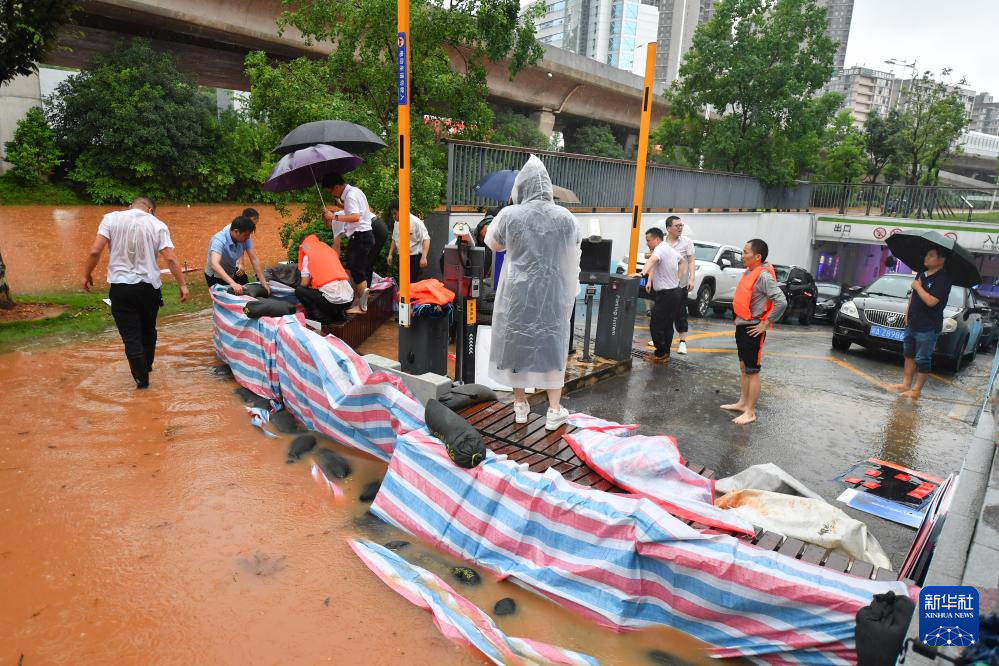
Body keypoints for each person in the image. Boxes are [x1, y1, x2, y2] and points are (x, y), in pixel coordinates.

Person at [485, 155, 581, 431]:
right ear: (548, 186)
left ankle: (520, 406)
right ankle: (553, 410)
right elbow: (574, 248)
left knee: (517, 344)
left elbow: (493, 244)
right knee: (552, 346)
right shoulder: (566, 218)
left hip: (517, 293)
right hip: (553, 293)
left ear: (521, 186)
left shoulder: (510, 215)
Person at [82, 197, 189, 389]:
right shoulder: (158, 224)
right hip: (149, 289)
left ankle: (142, 382)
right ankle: (146, 367)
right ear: (150, 210)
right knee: (148, 330)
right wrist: (182, 284)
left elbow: (94, 251)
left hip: (121, 288)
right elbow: (170, 259)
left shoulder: (110, 219)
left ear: (130, 206)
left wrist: (86, 274)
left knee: (131, 335)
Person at [720, 239, 786, 425]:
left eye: (745, 252)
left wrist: (766, 323)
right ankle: (742, 403)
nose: (742, 255)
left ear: (757, 257)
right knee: (744, 367)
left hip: (753, 328)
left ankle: (750, 411)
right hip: (742, 325)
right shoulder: (750, 272)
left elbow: (782, 301)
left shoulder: (763, 276)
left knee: (752, 370)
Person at [887, 247, 953, 400]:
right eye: (926, 254)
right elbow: (913, 297)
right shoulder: (921, 273)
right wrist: (907, 314)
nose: (926, 258)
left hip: (928, 326)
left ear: (941, 260)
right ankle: (906, 384)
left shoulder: (943, 279)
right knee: (908, 354)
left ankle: (917, 390)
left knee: (923, 358)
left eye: (931, 255)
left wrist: (918, 286)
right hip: (913, 322)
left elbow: (931, 301)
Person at [322, 173, 374, 314]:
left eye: (331, 190)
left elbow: (355, 216)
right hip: (365, 234)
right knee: (357, 269)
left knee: (357, 271)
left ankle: (363, 307)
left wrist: (334, 216)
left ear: (337, 186)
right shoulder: (355, 191)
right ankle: (361, 302)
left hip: (360, 236)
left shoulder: (350, 195)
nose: (332, 194)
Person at [637, 227, 684, 364]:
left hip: (667, 295)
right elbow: (682, 261)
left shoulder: (660, 249)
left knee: (656, 324)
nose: (647, 243)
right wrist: (677, 278)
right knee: (667, 325)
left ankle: (660, 353)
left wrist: (642, 274)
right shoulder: (669, 249)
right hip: (675, 292)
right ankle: (665, 354)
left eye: (648, 240)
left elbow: (652, 260)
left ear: (657, 239)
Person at [294, 233, 354, 324]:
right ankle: (339, 314)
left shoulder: (308, 255)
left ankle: (321, 317)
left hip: (333, 301)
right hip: (349, 299)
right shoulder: (328, 250)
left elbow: (304, 283)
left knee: (299, 291)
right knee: (329, 290)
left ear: (303, 245)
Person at [204, 215, 271, 296]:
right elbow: (214, 264)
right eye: (246, 235)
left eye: (249, 235)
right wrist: (233, 283)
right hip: (215, 276)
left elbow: (254, 259)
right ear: (236, 231)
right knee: (224, 300)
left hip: (230, 271)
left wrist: (263, 282)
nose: (248, 237)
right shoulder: (219, 239)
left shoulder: (246, 238)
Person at [386, 200, 431, 284]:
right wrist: (390, 254)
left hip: (414, 257)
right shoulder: (397, 223)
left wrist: (424, 257)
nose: (393, 216)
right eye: (392, 214)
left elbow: (426, 239)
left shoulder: (416, 222)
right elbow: (394, 238)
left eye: (395, 213)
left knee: (413, 284)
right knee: (402, 283)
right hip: (401, 257)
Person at [368, 215, 389, 286]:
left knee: (362, 263)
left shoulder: (337, 218)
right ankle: (366, 290)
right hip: (380, 225)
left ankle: (363, 291)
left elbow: (337, 246)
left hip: (374, 227)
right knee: (369, 263)